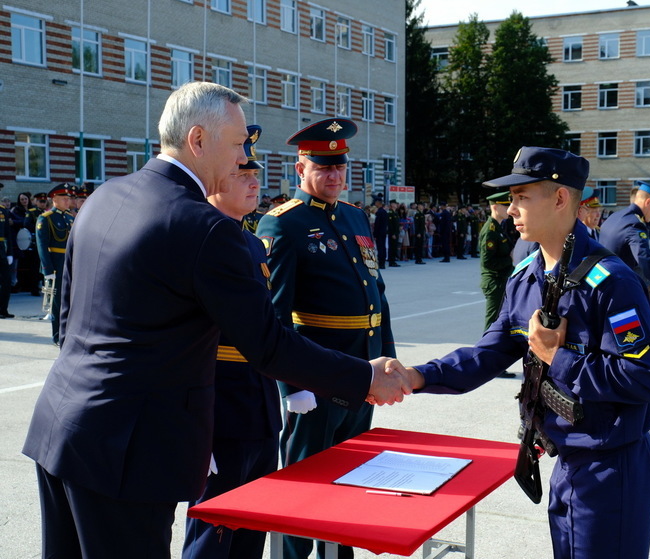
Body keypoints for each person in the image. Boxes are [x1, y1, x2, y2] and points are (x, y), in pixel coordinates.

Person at [22, 83, 410, 559]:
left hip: (61, 426)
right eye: (238, 143)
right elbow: (266, 343)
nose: (244, 155)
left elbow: (65, 317)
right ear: (198, 140)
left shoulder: (107, 195)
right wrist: (364, 376)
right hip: (128, 449)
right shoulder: (204, 227)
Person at [392, 146, 650, 559]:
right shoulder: (526, 277)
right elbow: (490, 351)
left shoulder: (611, 282)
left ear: (559, 199)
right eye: (511, 198)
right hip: (568, 462)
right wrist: (417, 376)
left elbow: (646, 377)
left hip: (612, 470)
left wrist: (561, 358)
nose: (511, 207)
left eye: (522, 196)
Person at [256, 118, 397, 559]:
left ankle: (339, 553)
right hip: (316, 375)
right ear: (301, 170)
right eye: (323, 167)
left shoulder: (355, 216)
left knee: (350, 470)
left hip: (363, 370)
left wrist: (388, 361)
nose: (334, 176)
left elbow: (378, 293)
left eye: (339, 167)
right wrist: (291, 387)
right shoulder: (282, 225)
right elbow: (273, 316)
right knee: (304, 478)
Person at [181, 124, 281, 559]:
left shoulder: (254, 245)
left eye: (255, 173)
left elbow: (269, 329)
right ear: (216, 179)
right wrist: (196, 430)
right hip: (218, 410)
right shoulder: (198, 240)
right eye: (241, 172)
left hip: (258, 407)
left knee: (251, 529)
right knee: (211, 532)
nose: (253, 181)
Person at [599, 181, 650, 310]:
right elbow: (644, 261)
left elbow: (620, 251)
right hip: (622, 290)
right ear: (648, 202)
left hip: (604, 285)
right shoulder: (635, 224)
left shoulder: (616, 217)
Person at [35, 183, 75, 342]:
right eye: (64, 198)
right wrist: (47, 270)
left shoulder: (69, 218)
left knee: (71, 300)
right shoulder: (45, 218)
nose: (68, 201)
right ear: (54, 199)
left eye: (69, 198)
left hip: (69, 265)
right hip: (56, 266)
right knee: (57, 303)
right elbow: (42, 246)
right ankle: (58, 335)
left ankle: (69, 332)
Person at [479, 190, 515, 330]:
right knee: (492, 322)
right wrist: (510, 259)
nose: (509, 209)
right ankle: (484, 350)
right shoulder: (490, 230)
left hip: (502, 279)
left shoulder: (498, 227)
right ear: (495, 207)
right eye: (506, 206)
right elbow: (488, 262)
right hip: (495, 281)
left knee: (500, 321)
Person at [0, 200, 12, 318]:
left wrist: (10, 253)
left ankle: (3, 309)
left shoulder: (3, 210)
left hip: (2, 250)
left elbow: (8, 233)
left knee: (6, 281)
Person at [372, 196, 388, 268]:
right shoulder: (384, 212)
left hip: (379, 233)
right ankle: (382, 262)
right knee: (383, 247)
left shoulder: (379, 212)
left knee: (380, 248)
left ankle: (381, 263)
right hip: (383, 232)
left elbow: (377, 224)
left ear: (378, 203)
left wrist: (375, 234)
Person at [386, 198, 400, 267]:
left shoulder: (395, 213)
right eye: (395, 204)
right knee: (392, 247)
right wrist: (392, 233)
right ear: (392, 205)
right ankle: (391, 261)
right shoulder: (390, 213)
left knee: (395, 247)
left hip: (396, 232)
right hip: (393, 233)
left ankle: (393, 260)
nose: (396, 205)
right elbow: (390, 225)